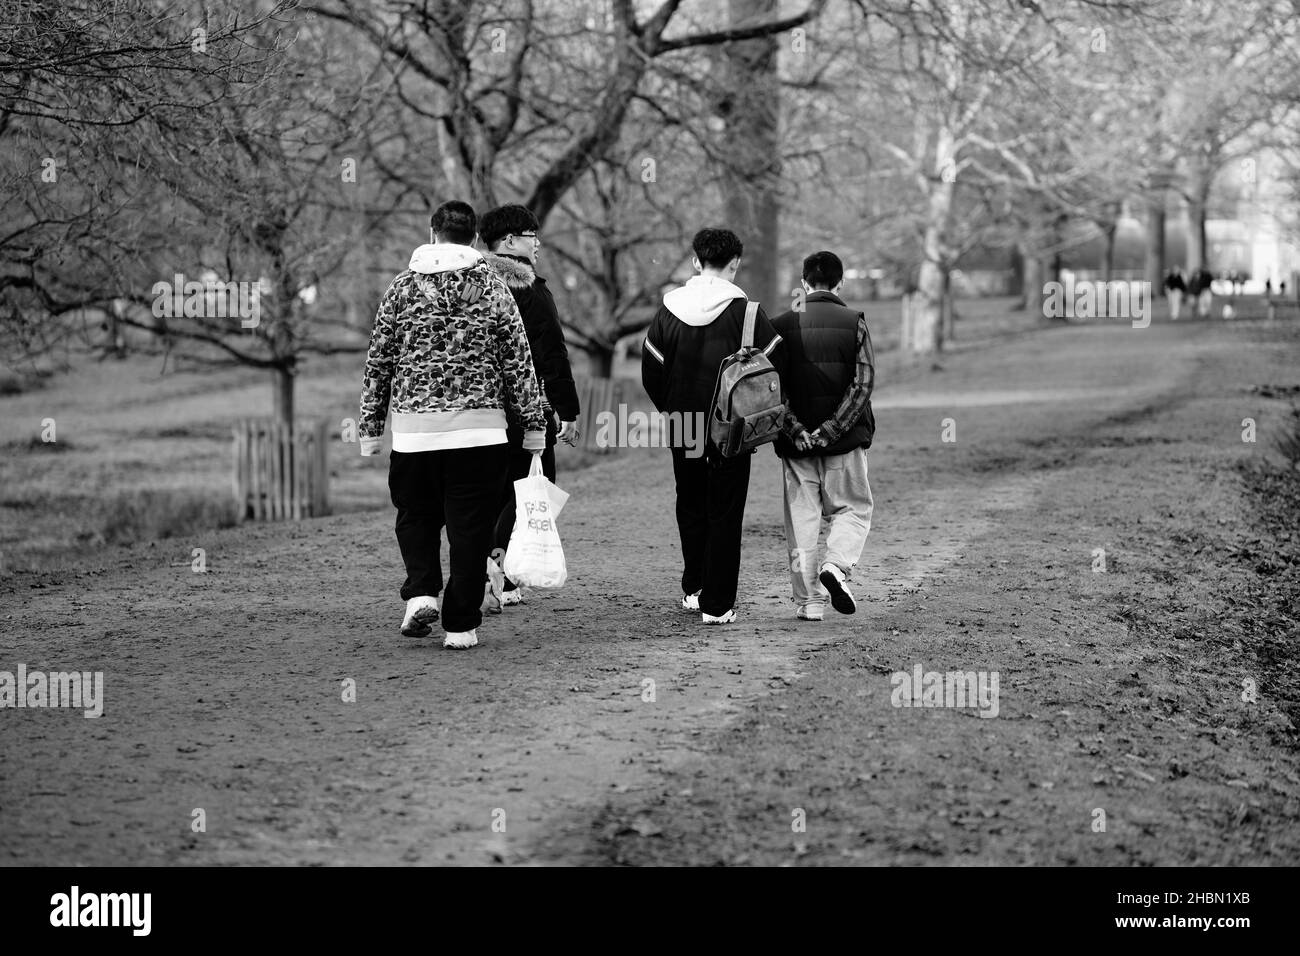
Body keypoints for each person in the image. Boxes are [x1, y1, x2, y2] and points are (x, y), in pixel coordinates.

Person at [359, 200, 548, 649]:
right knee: (471, 528)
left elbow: (378, 361)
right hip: (481, 434)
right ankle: (461, 625)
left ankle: (422, 591)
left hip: (414, 433)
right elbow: (518, 363)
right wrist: (534, 427)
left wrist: (370, 429)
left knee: (416, 516)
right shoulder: (495, 290)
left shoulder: (400, 290)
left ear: (432, 232)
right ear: (472, 237)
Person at [641, 227, 806, 625]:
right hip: (732, 428)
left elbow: (651, 371)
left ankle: (694, 587)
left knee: (690, 502)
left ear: (696, 262)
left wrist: (672, 408)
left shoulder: (668, 309)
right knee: (726, 510)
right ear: (735, 264)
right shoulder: (747, 312)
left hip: (683, 424)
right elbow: (775, 371)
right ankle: (717, 605)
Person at [479, 203, 581, 610]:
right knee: (534, 487)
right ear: (509, 241)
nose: (537, 244)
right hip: (525, 408)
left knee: (493, 491)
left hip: (479, 410)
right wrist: (566, 409)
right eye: (530, 236)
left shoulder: (474, 286)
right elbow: (551, 354)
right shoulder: (529, 290)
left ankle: (489, 571)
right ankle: (499, 573)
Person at [770, 251, 876, 621]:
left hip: (796, 447)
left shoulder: (780, 325)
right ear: (840, 282)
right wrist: (831, 429)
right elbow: (862, 384)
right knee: (853, 508)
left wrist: (797, 429)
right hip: (843, 444)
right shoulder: (853, 322)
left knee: (803, 520)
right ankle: (837, 565)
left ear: (803, 283)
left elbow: (769, 389)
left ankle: (811, 602)